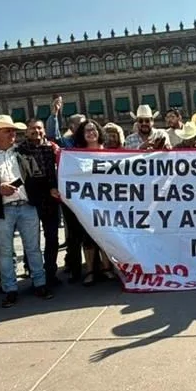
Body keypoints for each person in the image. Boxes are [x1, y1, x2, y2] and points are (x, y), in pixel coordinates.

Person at [0, 115, 51, 307]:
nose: (13, 134)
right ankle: (10, 288)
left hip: (26, 206)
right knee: (4, 251)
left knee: (34, 248)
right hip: (1, 209)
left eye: (13, 130)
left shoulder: (23, 151)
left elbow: (36, 175)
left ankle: (40, 283)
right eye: (7, 130)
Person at [70, 120, 120, 283]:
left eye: (93, 129)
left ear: (99, 132)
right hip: (86, 203)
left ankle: (107, 268)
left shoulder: (111, 154)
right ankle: (90, 271)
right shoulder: (76, 155)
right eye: (86, 131)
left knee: (106, 235)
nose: (90, 133)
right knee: (88, 237)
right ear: (82, 135)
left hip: (108, 202)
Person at [18, 118, 63, 286]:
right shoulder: (20, 150)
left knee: (52, 237)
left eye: (39, 128)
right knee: (31, 239)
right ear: (26, 131)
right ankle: (34, 272)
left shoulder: (52, 148)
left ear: (44, 130)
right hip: (31, 200)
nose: (36, 131)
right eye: (32, 129)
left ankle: (51, 271)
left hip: (52, 199)